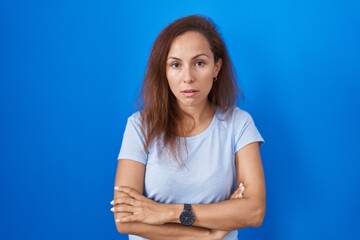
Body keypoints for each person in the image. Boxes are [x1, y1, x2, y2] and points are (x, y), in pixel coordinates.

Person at [111, 15, 266, 240]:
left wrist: (168, 212)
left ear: (216, 67)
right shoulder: (139, 126)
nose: (188, 77)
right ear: (163, 71)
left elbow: (254, 211)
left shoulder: (238, 124)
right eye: (176, 65)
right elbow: (124, 220)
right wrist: (206, 236)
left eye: (199, 63)